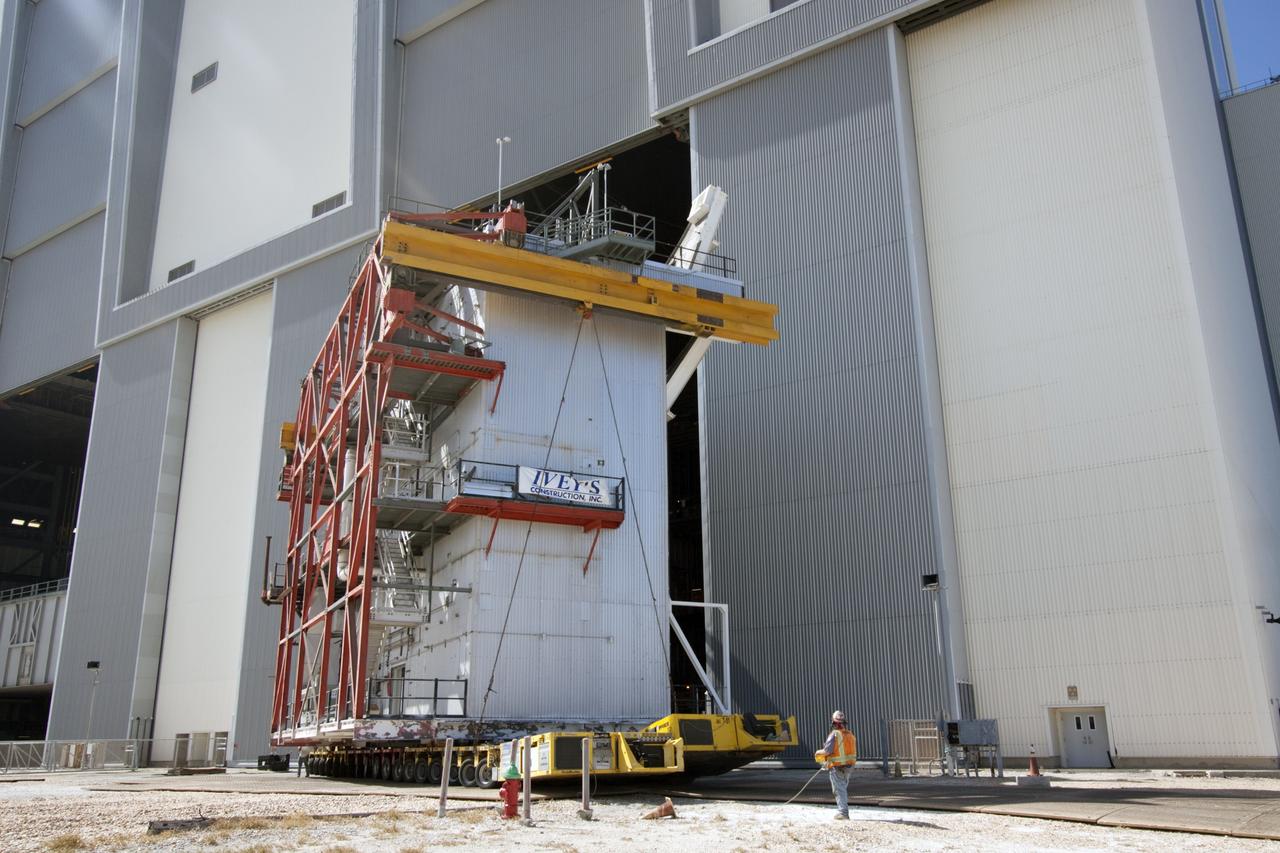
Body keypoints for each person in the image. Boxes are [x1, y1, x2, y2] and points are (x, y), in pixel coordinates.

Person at [818, 710, 857, 819]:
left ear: (833, 723)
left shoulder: (834, 735)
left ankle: (843, 813)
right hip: (849, 767)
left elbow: (827, 751)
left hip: (837, 767)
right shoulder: (850, 734)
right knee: (842, 788)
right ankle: (843, 811)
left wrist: (817, 753)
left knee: (839, 790)